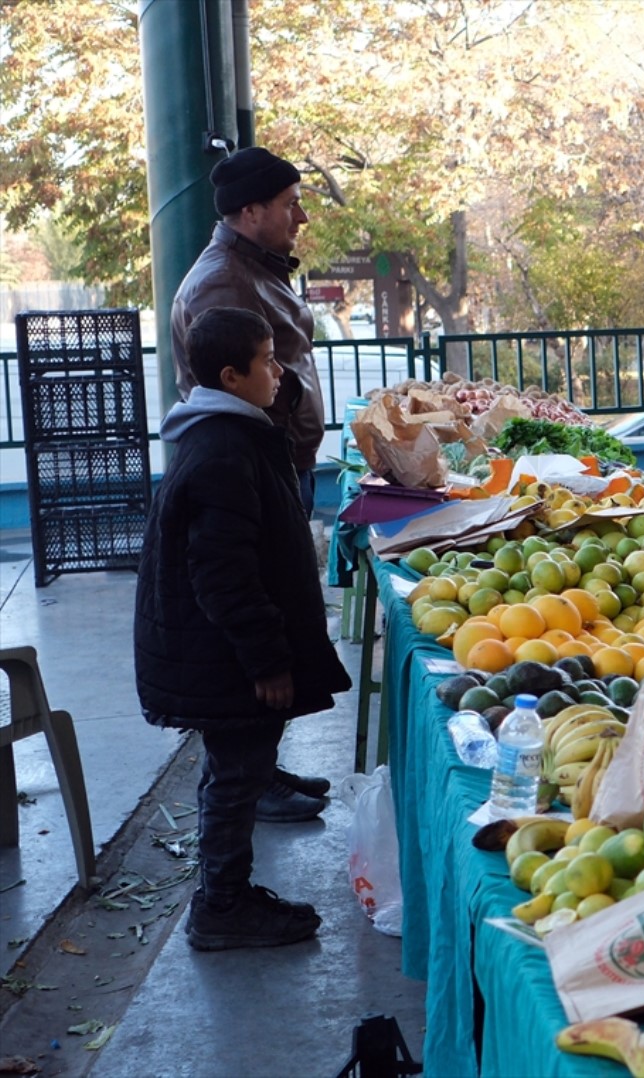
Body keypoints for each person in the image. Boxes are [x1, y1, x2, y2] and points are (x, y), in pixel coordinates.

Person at [134, 308, 352, 951]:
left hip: (217, 655)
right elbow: (223, 575)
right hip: (224, 659)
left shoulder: (232, 435)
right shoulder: (223, 452)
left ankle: (224, 894)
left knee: (233, 771)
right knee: (236, 777)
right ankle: (222, 906)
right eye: (266, 361)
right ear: (231, 377)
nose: (278, 371)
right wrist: (266, 659)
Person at [170, 145, 332, 821]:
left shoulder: (254, 270)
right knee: (259, 616)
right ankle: (246, 789)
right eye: (289, 203)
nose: (300, 215)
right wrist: (290, 397)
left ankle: (261, 767)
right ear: (249, 211)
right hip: (257, 472)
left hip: (278, 464)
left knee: (279, 606)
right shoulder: (221, 284)